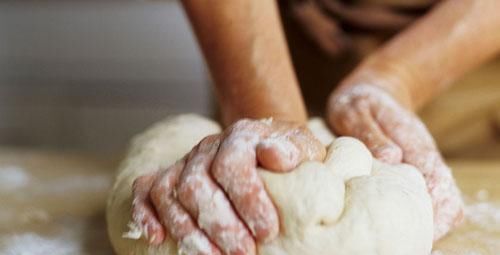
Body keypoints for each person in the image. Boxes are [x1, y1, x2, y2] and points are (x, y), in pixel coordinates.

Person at [130, 1, 500, 254]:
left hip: (470, 56)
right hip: (270, 42)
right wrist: (270, 118)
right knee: (238, 182)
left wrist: (399, 75)